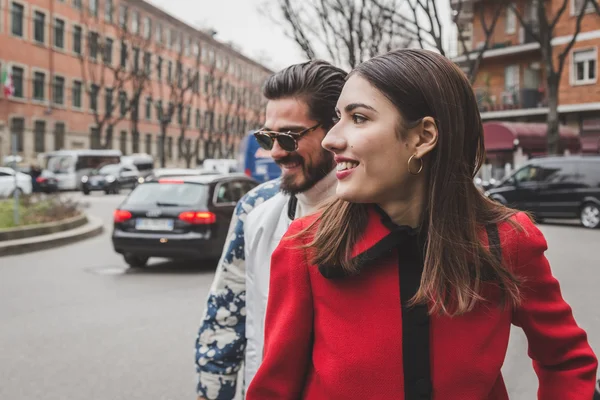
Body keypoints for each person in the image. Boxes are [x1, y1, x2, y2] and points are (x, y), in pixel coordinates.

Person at [246, 49, 598, 399]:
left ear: (423, 137)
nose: (331, 138)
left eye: (359, 118)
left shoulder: (506, 240)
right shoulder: (304, 245)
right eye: (339, 117)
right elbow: (275, 390)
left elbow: (567, 362)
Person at [195, 60, 347, 400]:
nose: (275, 152)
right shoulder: (255, 207)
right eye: (267, 137)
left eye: (290, 137)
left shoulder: (377, 205)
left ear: (336, 130)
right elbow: (225, 312)